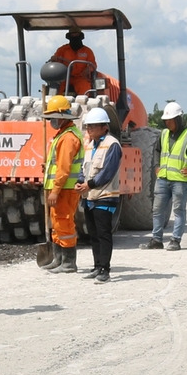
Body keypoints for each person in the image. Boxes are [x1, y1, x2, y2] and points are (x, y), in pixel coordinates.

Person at [142, 101, 187, 251]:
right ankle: (156, 240)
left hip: (180, 181)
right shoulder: (163, 134)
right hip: (163, 179)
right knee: (157, 210)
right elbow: (156, 151)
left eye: (170, 121)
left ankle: (175, 240)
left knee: (179, 211)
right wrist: (156, 166)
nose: (167, 123)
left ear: (178, 119)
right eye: (166, 121)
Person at [76, 107, 122, 283]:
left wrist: (89, 184)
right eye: (88, 127)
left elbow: (107, 172)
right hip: (90, 196)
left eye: (93, 127)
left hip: (105, 196)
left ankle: (105, 269)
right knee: (93, 234)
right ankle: (97, 266)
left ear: (104, 127)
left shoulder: (112, 145)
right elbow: (84, 168)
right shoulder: (90, 145)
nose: (90, 130)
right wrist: (81, 182)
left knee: (104, 234)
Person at [41, 94, 83, 273]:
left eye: (53, 117)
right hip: (60, 188)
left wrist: (55, 191)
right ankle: (58, 259)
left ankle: (68, 262)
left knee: (64, 223)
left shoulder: (68, 138)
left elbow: (65, 169)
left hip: (64, 189)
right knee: (57, 222)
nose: (51, 121)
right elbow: (58, 164)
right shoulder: (62, 135)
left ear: (61, 116)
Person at [52, 28, 98, 98]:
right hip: (65, 78)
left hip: (81, 78)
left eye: (76, 34)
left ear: (81, 36)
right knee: (56, 89)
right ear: (69, 37)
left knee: (85, 87)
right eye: (72, 35)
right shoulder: (62, 50)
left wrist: (88, 70)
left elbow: (93, 64)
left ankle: (82, 104)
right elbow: (55, 60)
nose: (75, 37)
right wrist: (54, 59)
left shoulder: (87, 51)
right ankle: (58, 105)